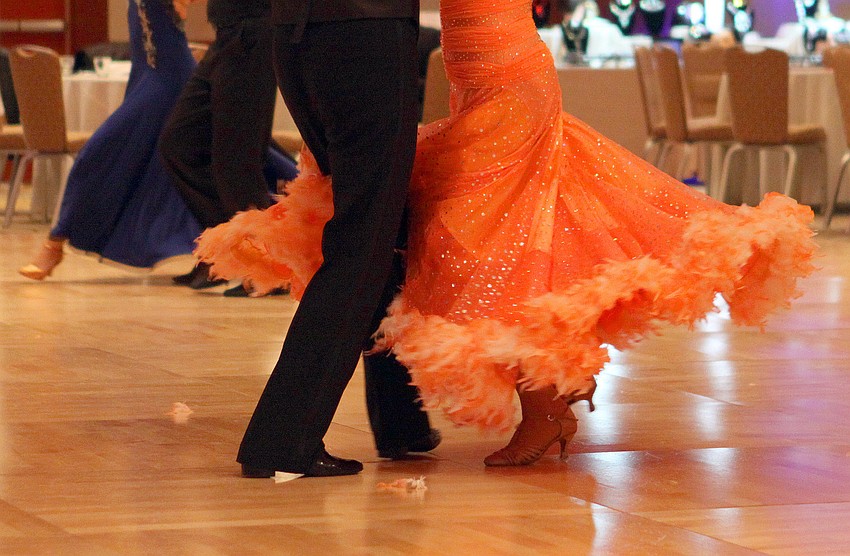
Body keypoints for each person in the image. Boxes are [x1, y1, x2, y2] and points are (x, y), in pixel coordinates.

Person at [195, 0, 817, 467]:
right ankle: (437, 417)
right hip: (463, 65)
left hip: (503, 72)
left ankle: (540, 407)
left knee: (512, 232)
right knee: (451, 227)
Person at [199, 0, 437, 478]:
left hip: (296, 35)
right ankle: (283, 438)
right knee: (363, 239)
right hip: (363, 34)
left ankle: (400, 419)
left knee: (380, 226)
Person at [18, 0, 204, 280]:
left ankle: (54, 243)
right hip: (146, 76)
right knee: (172, 168)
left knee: (101, 153)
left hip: (168, 79)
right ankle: (213, 254)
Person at [159, 0, 299, 295]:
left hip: (253, 33)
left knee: (237, 161)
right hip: (228, 34)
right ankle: (230, 253)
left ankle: (268, 270)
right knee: (179, 143)